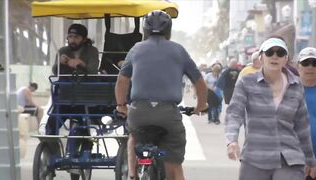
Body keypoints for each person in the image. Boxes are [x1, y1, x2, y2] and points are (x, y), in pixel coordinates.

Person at [115, 10, 207, 180]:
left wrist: (122, 105)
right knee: (174, 164)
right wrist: (200, 106)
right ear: (169, 31)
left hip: (139, 112)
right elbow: (199, 82)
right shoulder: (179, 50)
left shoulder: (136, 49)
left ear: (145, 30)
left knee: (133, 137)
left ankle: (132, 175)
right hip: (168, 114)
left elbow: (122, 81)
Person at [225, 37, 316, 180]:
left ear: (285, 59)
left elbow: (302, 126)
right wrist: (232, 140)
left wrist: (311, 160)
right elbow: (234, 114)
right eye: (269, 52)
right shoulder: (246, 82)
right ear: (261, 57)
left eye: (280, 53)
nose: (275, 56)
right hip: (255, 158)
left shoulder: (296, 85)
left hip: (290, 159)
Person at [43, 23, 100, 135]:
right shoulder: (62, 51)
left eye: (76, 37)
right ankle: (50, 146)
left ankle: (85, 145)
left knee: (82, 126)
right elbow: (55, 71)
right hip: (65, 94)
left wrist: (81, 64)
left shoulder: (92, 51)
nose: (73, 40)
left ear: (83, 39)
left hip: (84, 94)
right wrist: (59, 63)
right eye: (70, 37)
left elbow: (93, 71)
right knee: (51, 124)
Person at [297, 47, 316, 180]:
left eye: (314, 63)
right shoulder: (286, 90)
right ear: (298, 65)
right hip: (293, 161)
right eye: (305, 63)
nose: (310, 67)